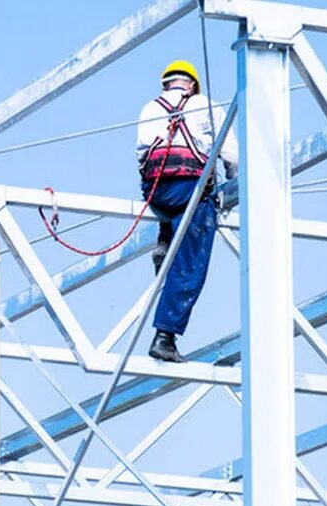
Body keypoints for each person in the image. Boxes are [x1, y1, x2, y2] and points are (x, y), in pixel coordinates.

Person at [134, 59, 238, 363]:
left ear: (166, 83)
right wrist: (232, 182)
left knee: (173, 211)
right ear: (192, 85)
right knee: (190, 264)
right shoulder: (205, 105)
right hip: (189, 190)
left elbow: (141, 154)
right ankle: (165, 336)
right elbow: (231, 154)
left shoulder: (149, 108)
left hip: (155, 192)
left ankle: (165, 237)